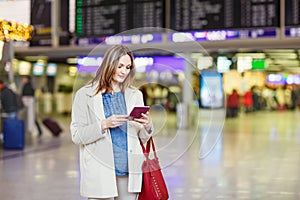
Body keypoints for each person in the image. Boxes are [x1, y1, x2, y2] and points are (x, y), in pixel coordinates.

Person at [70, 45, 153, 200]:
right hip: (100, 172)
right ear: (109, 65)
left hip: (128, 172)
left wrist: (147, 127)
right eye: (119, 66)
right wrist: (103, 124)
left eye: (128, 67)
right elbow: (76, 136)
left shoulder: (135, 95)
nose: (124, 71)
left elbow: (142, 137)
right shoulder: (85, 95)